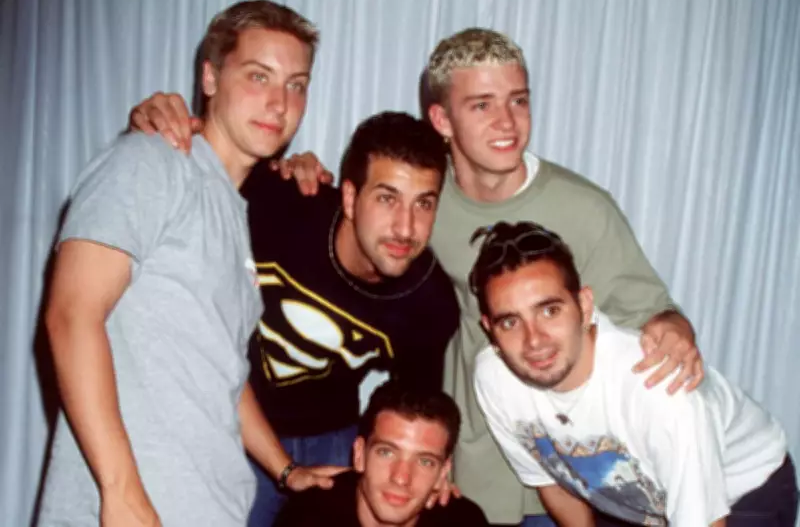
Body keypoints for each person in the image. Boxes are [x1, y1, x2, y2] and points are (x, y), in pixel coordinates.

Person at [126, 27, 703, 526]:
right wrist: (160, 125)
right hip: (245, 417)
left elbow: (649, 307)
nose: (406, 225)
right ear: (442, 119)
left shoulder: (574, 214)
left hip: (540, 460)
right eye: (481, 104)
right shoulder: (303, 197)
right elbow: (210, 169)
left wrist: (674, 327)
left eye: (518, 100)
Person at [37, 0, 339, 526]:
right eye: (258, 76)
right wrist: (121, 492)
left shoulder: (235, 209)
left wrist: (286, 469)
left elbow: (223, 372)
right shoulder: (151, 162)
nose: (279, 103)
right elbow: (71, 315)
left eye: (296, 84)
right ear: (210, 77)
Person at [470, 221, 798, 526]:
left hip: (743, 488)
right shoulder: (494, 379)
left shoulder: (656, 391)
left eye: (550, 310)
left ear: (585, 306)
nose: (534, 340)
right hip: (639, 497)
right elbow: (553, 484)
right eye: (510, 322)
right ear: (489, 329)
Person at [239, 111, 458, 525]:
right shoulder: (279, 205)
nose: (405, 228)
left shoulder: (429, 302)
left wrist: (432, 470)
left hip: (334, 438)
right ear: (351, 198)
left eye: (423, 204)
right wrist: (159, 122)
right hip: (235, 420)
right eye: (387, 198)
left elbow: (413, 410)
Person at [274, 381, 489, 526]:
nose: (401, 478)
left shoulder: (463, 521)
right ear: (360, 455)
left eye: (425, 461)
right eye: (386, 453)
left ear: (443, 472)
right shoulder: (308, 516)